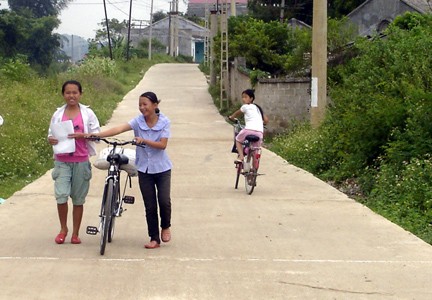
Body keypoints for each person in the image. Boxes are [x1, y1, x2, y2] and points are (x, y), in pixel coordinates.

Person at [71, 91, 172, 249]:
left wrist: (143, 140)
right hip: (144, 169)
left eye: (145, 104)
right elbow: (119, 129)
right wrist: (96, 135)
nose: (142, 108)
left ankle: (165, 226)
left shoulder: (164, 121)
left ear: (155, 105)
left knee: (164, 201)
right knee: (150, 205)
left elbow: (163, 145)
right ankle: (154, 238)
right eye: (140, 105)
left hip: (162, 169)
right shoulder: (138, 121)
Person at [48, 80, 101, 245]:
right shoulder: (58, 114)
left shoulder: (88, 114)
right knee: (61, 196)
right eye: (68, 93)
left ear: (80, 94)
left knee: (78, 199)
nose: (71, 96)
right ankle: (63, 229)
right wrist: (51, 140)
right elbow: (50, 134)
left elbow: (97, 135)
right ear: (63, 95)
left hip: (80, 160)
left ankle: (75, 233)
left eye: (75, 92)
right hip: (62, 161)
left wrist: (83, 135)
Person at [228, 89, 269, 162]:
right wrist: (261, 123)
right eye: (243, 97)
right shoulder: (258, 108)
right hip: (259, 132)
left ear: (251, 98)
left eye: (245, 97)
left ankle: (241, 157)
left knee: (238, 140)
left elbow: (237, 113)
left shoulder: (245, 107)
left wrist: (232, 117)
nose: (243, 99)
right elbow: (266, 120)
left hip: (248, 130)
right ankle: (254, 169)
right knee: (255, 149)